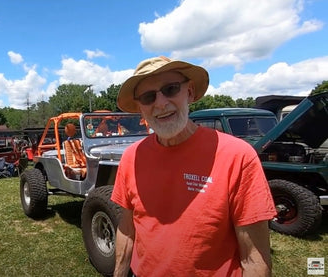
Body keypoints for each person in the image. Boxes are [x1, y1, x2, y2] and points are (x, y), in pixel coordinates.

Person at [111, 56, 276, 277]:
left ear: (189, 92)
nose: (160, 103)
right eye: (148, 97)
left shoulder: (237, 156)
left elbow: (255, 259)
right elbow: (127, 229)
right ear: (141, 108)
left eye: (170, 89)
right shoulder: (132, 157)